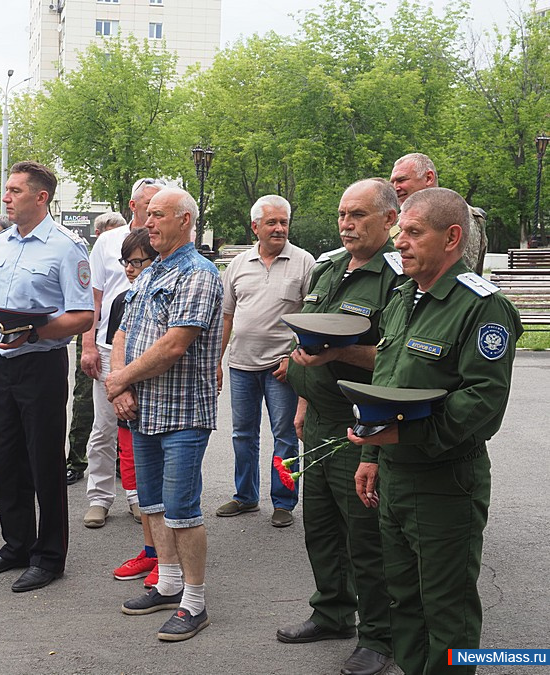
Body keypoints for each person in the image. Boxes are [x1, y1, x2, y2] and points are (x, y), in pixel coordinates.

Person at [348, 188, 522, 675]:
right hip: (396, 477)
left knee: (446, 609)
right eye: (399, 230)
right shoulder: (404, 297)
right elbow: (387, 380)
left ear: (451, 237)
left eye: (412, 232)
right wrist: (371, 457)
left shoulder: (482, 307)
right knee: (402, 598)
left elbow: (482, 404)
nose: (399, 242)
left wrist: (401, 440)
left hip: (445, 481)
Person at [278, 178, 401, 675]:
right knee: (321, 529)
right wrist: (305, 399)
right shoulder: (328, 266)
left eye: (359, 215)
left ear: (390, 220)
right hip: (320, 419)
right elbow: (310, 337)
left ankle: (378, 635)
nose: (347, 224)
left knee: (365, 536)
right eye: (342, 215)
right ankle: (331, 611)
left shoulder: (397, 279)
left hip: (360, 426)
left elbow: (397, 359)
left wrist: (342, 352)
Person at [0, 161, 93, 593]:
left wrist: (36, 331)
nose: (6, 198)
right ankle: (17, 544)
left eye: (15, 191)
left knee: (44, 463)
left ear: (41, 197)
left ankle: (49, 556)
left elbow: (82, 315)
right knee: (6, 459)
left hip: (41, 365)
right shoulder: (0, 242)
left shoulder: (67, 247)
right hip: (0, 365)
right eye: (7, 190)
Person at [107, 186, 223, 642]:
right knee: (151, 504)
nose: (147, 223)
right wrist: (120, 385)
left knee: (182, 509)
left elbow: (175, 344)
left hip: (181, 413)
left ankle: (194, 603)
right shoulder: (153, 269)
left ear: (185, 220)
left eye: (157, 215)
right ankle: (169, 582)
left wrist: (120, 380)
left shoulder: (198, 273)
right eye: (146, 215)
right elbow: (122, 333)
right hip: (142, 410)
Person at [216, 195, 315, 528]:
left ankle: (284, 501)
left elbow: (312, 319)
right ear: (255, 226)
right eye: (271, 222)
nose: (279, 228)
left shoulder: (304, 263)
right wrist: (217, 361)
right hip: (242, 365)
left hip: (281, 368)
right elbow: (227, 317)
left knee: (285, 435)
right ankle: (245, 497)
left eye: (283, 222)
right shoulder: (238, 265)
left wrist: (293, 358)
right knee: (243, 434)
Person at [81, 180, 163, 528]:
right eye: (149, 205)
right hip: (107, 345)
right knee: (105, 426)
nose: (154, 211)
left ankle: (139, 496)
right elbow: (93, 299)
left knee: (142, 429)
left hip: (148, 350)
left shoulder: (166, 242)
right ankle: (99, 497)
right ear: (133, 205)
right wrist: (87, 344)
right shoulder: (107, 240)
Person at [107, 228, 162, 585]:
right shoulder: (122, 300)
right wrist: (119, 390)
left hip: (159, 404)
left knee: (163, 487)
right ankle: (151, 550)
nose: (129, 268)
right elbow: (117, 345)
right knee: (138, 481)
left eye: (137, 261)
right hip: (127, 403)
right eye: (126, 261)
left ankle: (168, 559)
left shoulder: (163, 297)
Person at [389, 153, 487, 275]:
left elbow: (458, 272)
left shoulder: (454, 213)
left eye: (401, 180)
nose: (395, 188)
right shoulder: (398, 219)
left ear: (429, 178)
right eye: (392, 183)